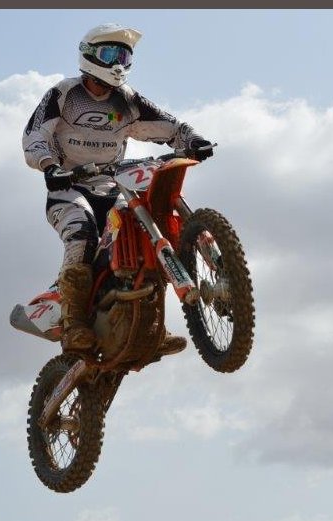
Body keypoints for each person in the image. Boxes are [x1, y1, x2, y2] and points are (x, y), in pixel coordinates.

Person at [22, 23, 214, 355]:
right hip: (68, 187)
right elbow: (35, 135)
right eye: (110, 53)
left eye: (124, 56)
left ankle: (150, 326)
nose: (117, 63)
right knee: (82, 234)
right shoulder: (64, 94)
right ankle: (74, 324)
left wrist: (193, 138)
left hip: (113, 186)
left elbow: (167, 124)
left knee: (145, 236)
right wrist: (49, 166)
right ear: (89, 55)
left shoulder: (127, 99)